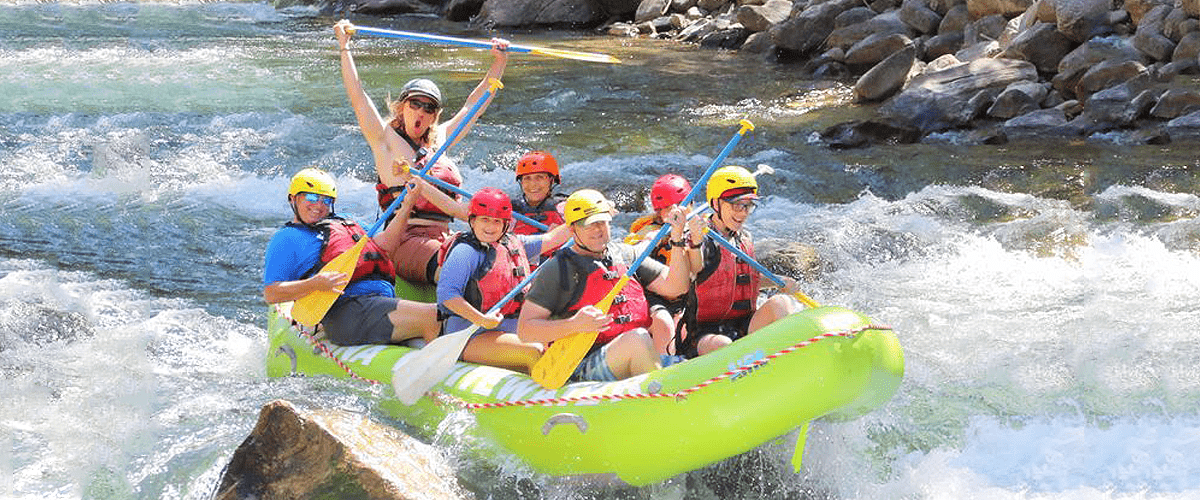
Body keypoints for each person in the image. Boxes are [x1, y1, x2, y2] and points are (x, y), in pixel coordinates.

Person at [333, 19, 507, 284]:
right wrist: (344, 46)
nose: (421, 112)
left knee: (504, 257)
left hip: (444, 236)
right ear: (402, 106)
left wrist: (499, 61)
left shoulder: (441, 138)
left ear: (434, 115)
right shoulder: (383, 137)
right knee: (466, 270)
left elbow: (476, 103)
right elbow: (357, 95)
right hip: (405, 237)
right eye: (416, 104)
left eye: (429, 109)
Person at [517, 189, 692, 382]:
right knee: (638, 340)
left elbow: (677, 287)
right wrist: (574, 324)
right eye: (589, 225)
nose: (598, 230)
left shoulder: (626, 255)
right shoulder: (557, 269)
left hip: (632, 351)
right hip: (581, 364)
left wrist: (677, 238)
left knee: (690, 364)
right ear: (573, 230)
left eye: (602, 222)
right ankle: (662, 399)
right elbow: (526, 331)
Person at [262, 168, 440, 346]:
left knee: (442, 316)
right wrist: (315, 284)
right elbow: (271, 293)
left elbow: (384, 245)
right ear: (293, 199)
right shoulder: (286, 238)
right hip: (347, 311)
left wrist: (407, 206)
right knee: (436, 315)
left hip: (378, 302)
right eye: (311, 198)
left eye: (326, 200)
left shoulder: (344, 222)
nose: (319, 205)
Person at [435, 188, 572, 373]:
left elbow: (552, 238)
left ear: (505, 224)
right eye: (485, 219)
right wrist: (482, 319)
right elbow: (447, 295)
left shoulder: (513, 243)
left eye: (497, 221)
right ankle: (548, 393)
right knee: (535, 351)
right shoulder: (465, 252)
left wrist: (586, 217)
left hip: (508, 327)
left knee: (565, 339)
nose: (490, 227)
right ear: (473, 221)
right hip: (470, 334)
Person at [677, 165, 802, 358]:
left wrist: (779, 281)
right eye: (736, 205)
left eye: (747, 206)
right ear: (716, 204)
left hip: (744, 325)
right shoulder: (699, 237)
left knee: (781, 303)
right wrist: (694, 242)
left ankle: (796, 358)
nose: (743, 213)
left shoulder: (744, 238)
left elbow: (743, 279)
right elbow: (694, 270)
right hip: (703, 334)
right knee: (724, 344)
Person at [623, 173, 692, 355]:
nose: (674, 212)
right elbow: (628, 256)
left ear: (690, 206)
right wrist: (647, 241)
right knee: (666, 322)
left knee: (688, 320)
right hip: (655, 297)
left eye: (679, 206)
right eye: (667, 209)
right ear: (658, 212)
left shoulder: (699, 227)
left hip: (686, 295)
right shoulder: (649, 232)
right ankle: (662, 367)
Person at [510, 151, 567, 236]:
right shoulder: (511, 212)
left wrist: (566, 232)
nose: (533, 184)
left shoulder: (564, 208)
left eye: (539, 177)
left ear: (551, 180)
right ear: (521, 183)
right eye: (527, 178)